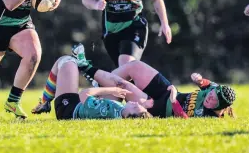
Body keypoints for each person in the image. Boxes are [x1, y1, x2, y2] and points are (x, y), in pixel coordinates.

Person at [35, 44, 236, 118]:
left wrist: (173, 100)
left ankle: (87, 70)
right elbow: (205, 84)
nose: (208, 99)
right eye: (210, 95)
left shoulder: (209, 118)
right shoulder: (215, 90)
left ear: (221, 108)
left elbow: (182, 118)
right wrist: (198, 80)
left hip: (162, 107)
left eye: (212, 101)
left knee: (121, 86)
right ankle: (89, 74)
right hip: (166, 92)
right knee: (134, 66)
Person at [47, 55, 151, 120]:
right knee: (118, 85)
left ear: (128, 117)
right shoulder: (119, 113)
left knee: (66, 60)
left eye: (135, 107)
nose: (136, 103)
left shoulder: (107, 109)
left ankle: (45, 100)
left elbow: (83, 94)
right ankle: (93, 78)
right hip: (79, 108)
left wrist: (113, 90)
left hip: (68, 109)